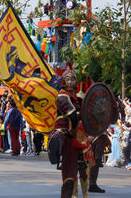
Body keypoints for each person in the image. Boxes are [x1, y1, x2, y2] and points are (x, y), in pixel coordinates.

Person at [49, 63, 90, 198]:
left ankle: (85, 195)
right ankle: (72, 196)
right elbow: (72, 116)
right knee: (69, 173)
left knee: (85, 167)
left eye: (73, 79)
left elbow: (88, 115)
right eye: (68, 79)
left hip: (81, 136)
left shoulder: (79, 97)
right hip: (67, 137)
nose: (70, 82)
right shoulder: (61, 96)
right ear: (63, 81)